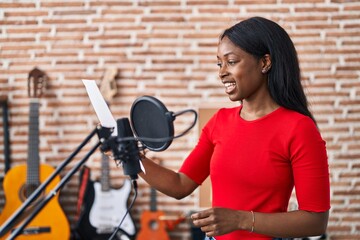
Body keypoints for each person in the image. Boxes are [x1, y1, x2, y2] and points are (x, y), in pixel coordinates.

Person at [138, 16, 330, 240]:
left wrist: (241, 220)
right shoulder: (219, 122)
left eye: (231, 61)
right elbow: (180, 185)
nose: (221, 73)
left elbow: (315, 221)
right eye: (220, 64)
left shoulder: (298, 128)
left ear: (265, 62)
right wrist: (130, 157)